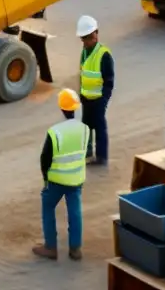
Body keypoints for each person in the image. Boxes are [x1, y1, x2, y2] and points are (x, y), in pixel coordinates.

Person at [33, 88, 90, 261]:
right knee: (75, 211)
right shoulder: (85, 129)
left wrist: (46, 179)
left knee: (48, 207)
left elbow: (45, 158)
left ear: (61, 108)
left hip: (57, 180)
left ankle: (51, 247)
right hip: (76, 179)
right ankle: (75, 249)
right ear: (76, 108)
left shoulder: (55, 132)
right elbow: (85, 151)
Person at [77, 14, 113, 166]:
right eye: (84, 38)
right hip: (86, 98)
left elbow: (109, 81)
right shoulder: (84, 52)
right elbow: (83, 74)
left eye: (89, 37)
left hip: (98, 99)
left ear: (96, 34)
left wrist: (103, 100)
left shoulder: (104, 55)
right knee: (86, 128)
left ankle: (101, 157)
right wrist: (82, 94)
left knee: (99, 129)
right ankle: (87, 153)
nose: (86, 41)